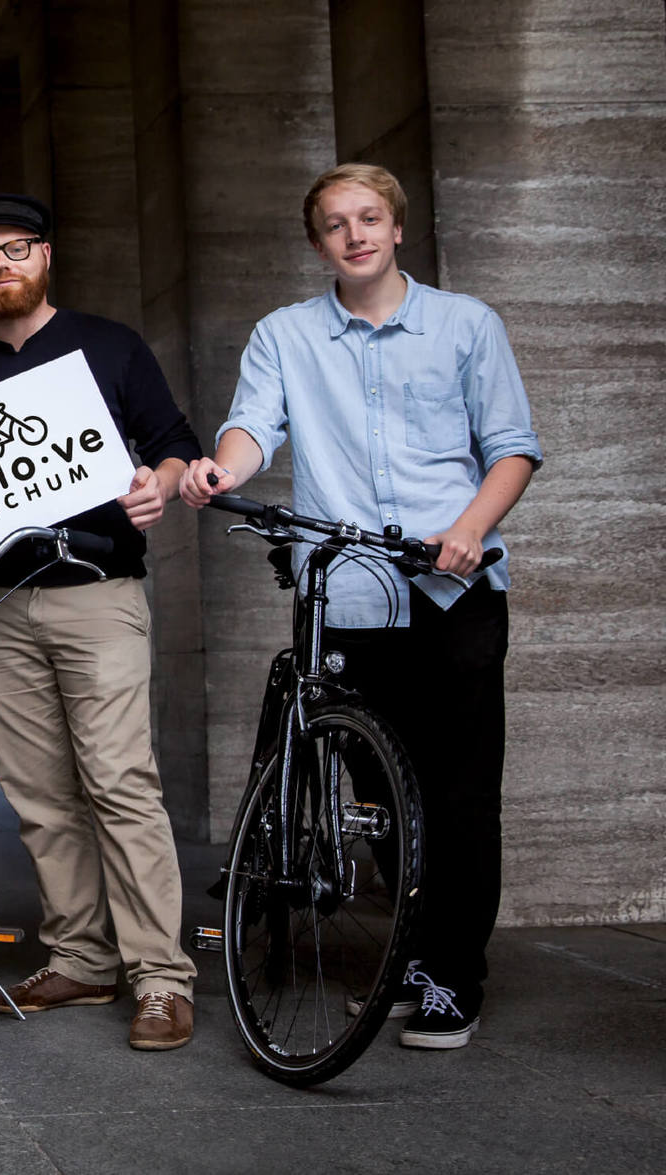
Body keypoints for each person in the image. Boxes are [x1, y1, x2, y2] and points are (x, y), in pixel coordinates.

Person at [180, 163, 541, 1049]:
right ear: (318, 243)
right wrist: (222, 467)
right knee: (379, 790)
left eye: (370, 218)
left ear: (396, 228)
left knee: (460, 795)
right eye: (337, 224)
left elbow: (512, 448)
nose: (356, 235)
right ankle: (413, 952)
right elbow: (254, 426)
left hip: (452, 586)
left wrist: (469, 529)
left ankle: (454, 975)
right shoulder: (284, 334)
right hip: (347, 592)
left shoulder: (466, 325)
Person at [0, 194, 201, 1050]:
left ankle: (161, 977)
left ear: (46, 255)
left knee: (120, 781)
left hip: (97, 591)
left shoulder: (111, 346)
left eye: (16, 249)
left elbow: (175, 443)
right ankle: (82, 957)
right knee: (40, 794)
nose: (0, 266)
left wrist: (160, 481)